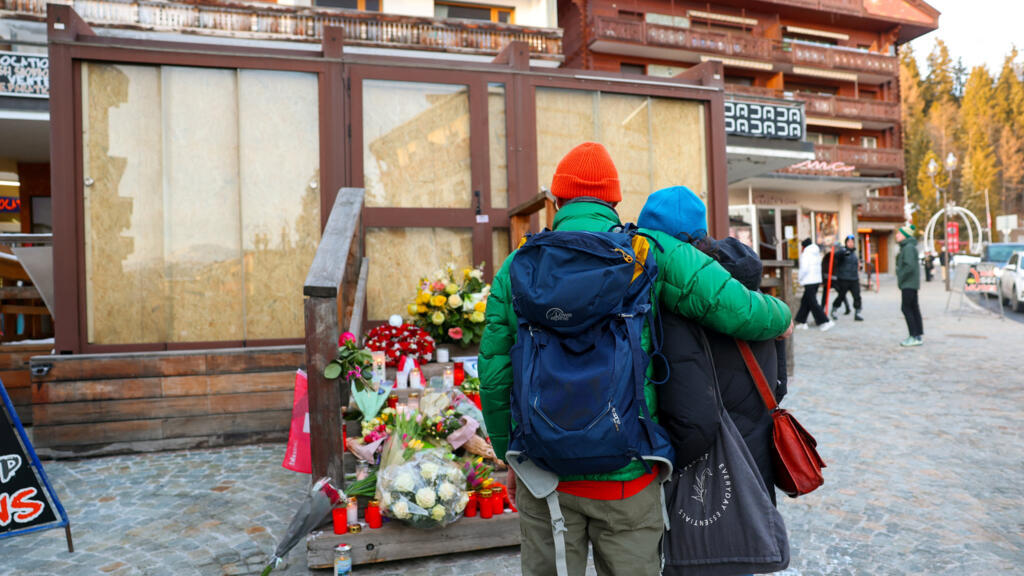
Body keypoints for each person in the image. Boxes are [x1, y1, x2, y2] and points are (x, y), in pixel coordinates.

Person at [479, 147, 793, 576]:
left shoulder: (516, 266)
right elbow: (736, 307)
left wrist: (508, 456)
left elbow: (495, 374)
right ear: (613, 202)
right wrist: (782, 319)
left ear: (556, 202)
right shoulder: (649, 250)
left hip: (546, 477)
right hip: (628, 473)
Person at [637, 189, 786, 504]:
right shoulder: (752, 297)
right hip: (756, 458)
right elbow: (779, 384)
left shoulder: (682, 308)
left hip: (713, 468)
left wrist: (669, 464)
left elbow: (695, 420)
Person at [794, 238, 835, 331]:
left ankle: (825, 321)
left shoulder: (805, 254)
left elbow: (804, 269)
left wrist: (800, 279)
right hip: (816, 280)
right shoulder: (816, 253)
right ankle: (801, 321)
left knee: (812, 302)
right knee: (806, 301)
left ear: (804, 247)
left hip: (809, 280)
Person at [896, 224, 923, 347]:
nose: (897, 235)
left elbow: (909, 266)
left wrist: (901, 275)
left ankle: (914, 335)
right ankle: (917, 334)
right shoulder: (908, 247)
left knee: (906, 308)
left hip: (908, 283)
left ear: (905, 236)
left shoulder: (908, 248)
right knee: (913, 308)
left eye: (899, 233)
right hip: (910, 283)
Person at [831, 235, 863, 321]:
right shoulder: (844, 251)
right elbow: (837, 255)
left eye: (852, 242)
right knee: (841, 296)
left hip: (854, 279)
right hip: (844, 278)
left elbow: (858, 266)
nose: (851, 243)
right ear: (846, 243)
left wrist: (860, 266)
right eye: (849, 242)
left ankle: (858, 313)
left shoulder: (854, 254)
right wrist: (844, 251)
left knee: (857, 296)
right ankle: (834, 309)